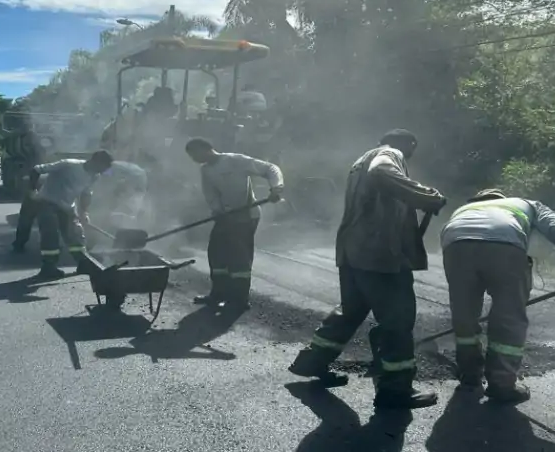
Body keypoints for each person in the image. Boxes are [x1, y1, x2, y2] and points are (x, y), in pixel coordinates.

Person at [288, 129, 447, 410]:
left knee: (351, 310)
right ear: (408, 144)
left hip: (354, 251)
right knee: (397, 320)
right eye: (413, 147)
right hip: (379, 254)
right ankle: (395, 390)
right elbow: (382, 173)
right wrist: (424, 196)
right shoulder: (388, 155)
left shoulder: (360, 160)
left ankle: (312, 361)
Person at [440, 188, 555, 403]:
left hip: (456, 245)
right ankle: (501, 384)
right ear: (503, 198)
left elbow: (447, 235)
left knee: (464, 312)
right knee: (508, 316)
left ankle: (469, 374)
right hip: (505, 246)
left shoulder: (464, 208)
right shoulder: (526, 204)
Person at [184, 138, 284, 311]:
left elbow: (270, 168)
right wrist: (217, 210)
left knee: (239, 259)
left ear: (205, 149)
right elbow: (211, 194)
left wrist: (276, 188)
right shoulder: (206, 170)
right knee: (216, 253)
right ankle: (218, 294)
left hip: (246, 216)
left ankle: (239, 300)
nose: (194, 160)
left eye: (194, 155)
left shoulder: (234, 160)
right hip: (225, 218)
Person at [27, 151, 114, 281]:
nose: (103, 171)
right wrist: (32, 190)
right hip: (47, 202)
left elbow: (86, 193)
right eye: (103, 167)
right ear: (95, 161)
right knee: (50, 234)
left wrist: (84, 211)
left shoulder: (94, 175)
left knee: (75, 234)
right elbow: (36, 170)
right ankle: (48, 267)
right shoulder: (68, 165)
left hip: (67, 207)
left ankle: (83, 264)